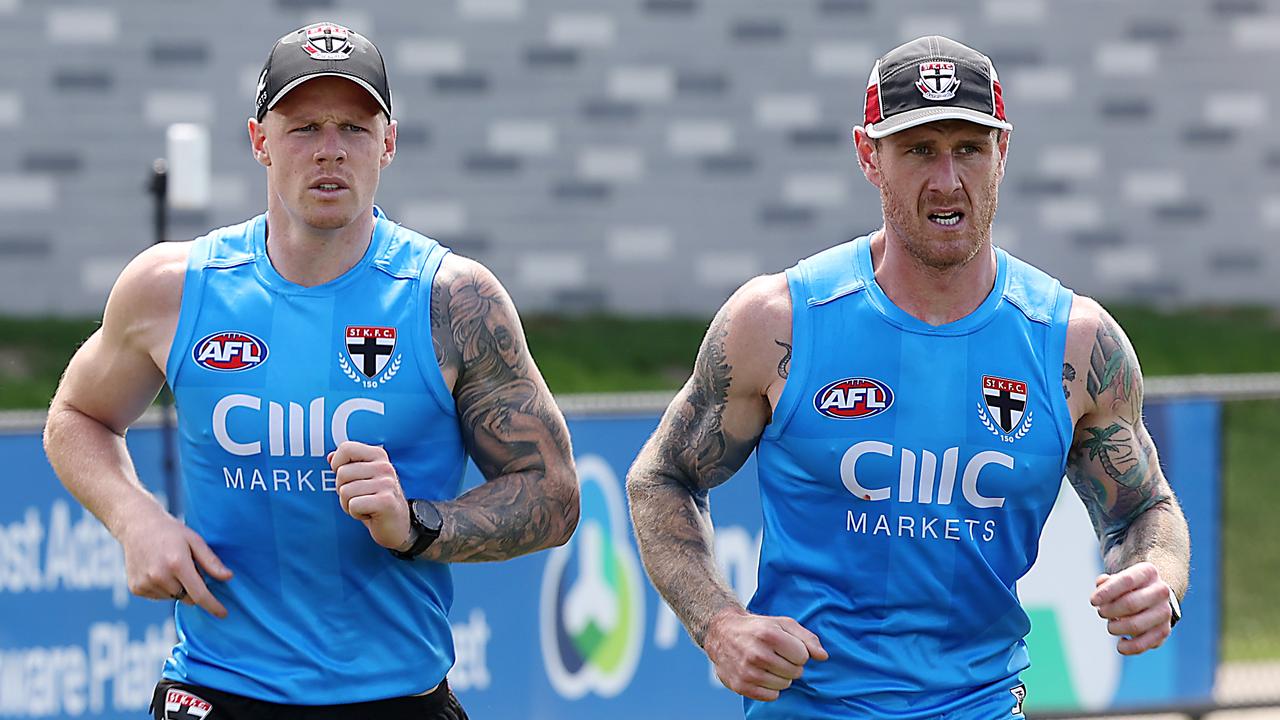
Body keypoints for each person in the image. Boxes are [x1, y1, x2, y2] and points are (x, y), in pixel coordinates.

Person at [626, 35, 1190, 719]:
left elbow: (1144, 507)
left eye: (970, 149)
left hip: (978, 704)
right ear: (869, 156)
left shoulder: (1074, 343)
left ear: (1002, 153)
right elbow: (660, 478)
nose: (948, 180)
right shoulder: (779, 324)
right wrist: (717, 623)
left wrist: (1159, 576)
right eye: (920, 150)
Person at [43, 22, 578, 720]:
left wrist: (417, 523)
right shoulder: (172, 287)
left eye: (354, 128)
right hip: (216, 689)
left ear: (388, 143)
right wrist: (134, 518)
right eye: (303, 127)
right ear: (259, 140)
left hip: (393, 698)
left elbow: (555, 494)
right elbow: (76, 416)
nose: (330, 151)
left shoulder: (452, 300)